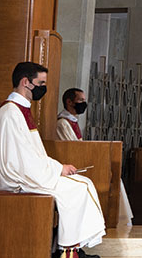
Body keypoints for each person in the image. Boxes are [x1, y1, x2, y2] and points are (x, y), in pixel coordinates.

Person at [0, 62, 105, 258]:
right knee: (78, 188)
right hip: (15, 179)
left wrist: (58, 168)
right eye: (41, 83)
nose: (44, 88)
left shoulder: (20, 110)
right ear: (26, 82)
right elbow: (21, 161)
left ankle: (71, 248)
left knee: (81, 181)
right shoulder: (10, 113)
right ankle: (68, 252)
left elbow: (31, 154)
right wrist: (58, 169)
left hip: (28, 172)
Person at [56, 86, 135, 227]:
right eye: (80, 100)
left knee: (115, 179)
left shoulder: (73, 121)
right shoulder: (62, 123)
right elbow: (71, 149)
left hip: (79, 162)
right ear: (69, 102)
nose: (83, 104)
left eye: (84, 100)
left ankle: (119, 221)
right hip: (72, 167)